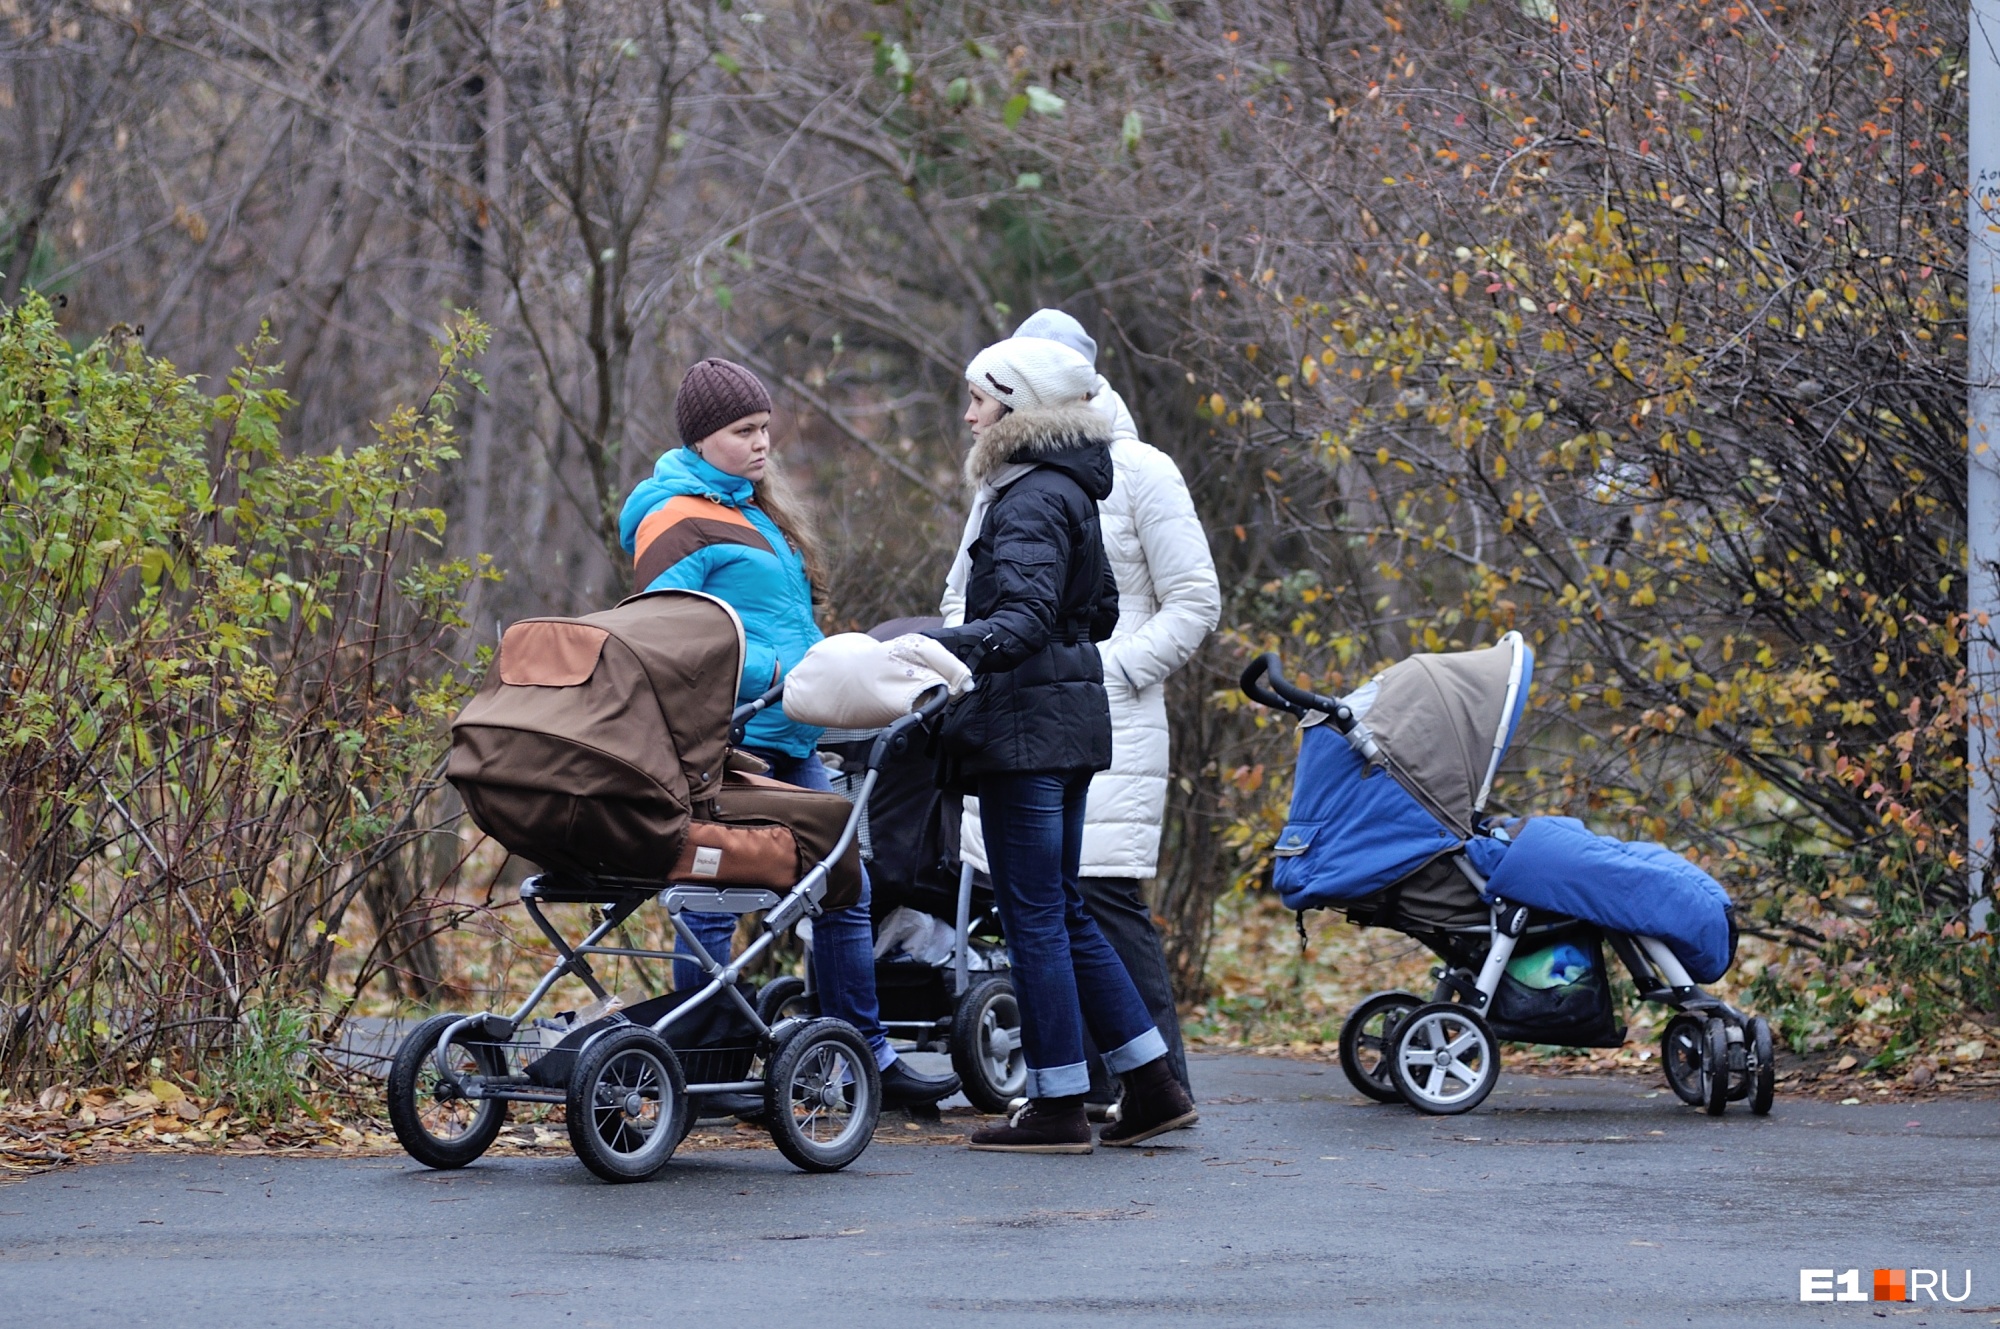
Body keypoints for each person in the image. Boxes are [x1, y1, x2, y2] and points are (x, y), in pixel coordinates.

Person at [618, 357, 960, 1111]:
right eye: (744, 431)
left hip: (794, 734)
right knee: (711, 897)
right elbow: (668, 641)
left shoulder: (755, 512)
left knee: (845, 886)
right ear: (703, 439)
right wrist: (780, 670)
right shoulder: (673, 516)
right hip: (728, 740)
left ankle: (858, 1058)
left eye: (766, 427)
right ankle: (704, 1065)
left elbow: (784, 620)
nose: (762, 442)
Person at [928, 336, 1198, 1152]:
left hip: (1025, 730)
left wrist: (941, 650)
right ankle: (1152, 1083)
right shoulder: (1075, 486)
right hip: (1072, 720)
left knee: (1033, 913)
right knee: (1065, 905)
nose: (969, 413)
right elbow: (1104, 610)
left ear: (1016, 404)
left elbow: (1026, 617)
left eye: (980, 397)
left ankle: (1055, 1104)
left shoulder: (1027, 495)